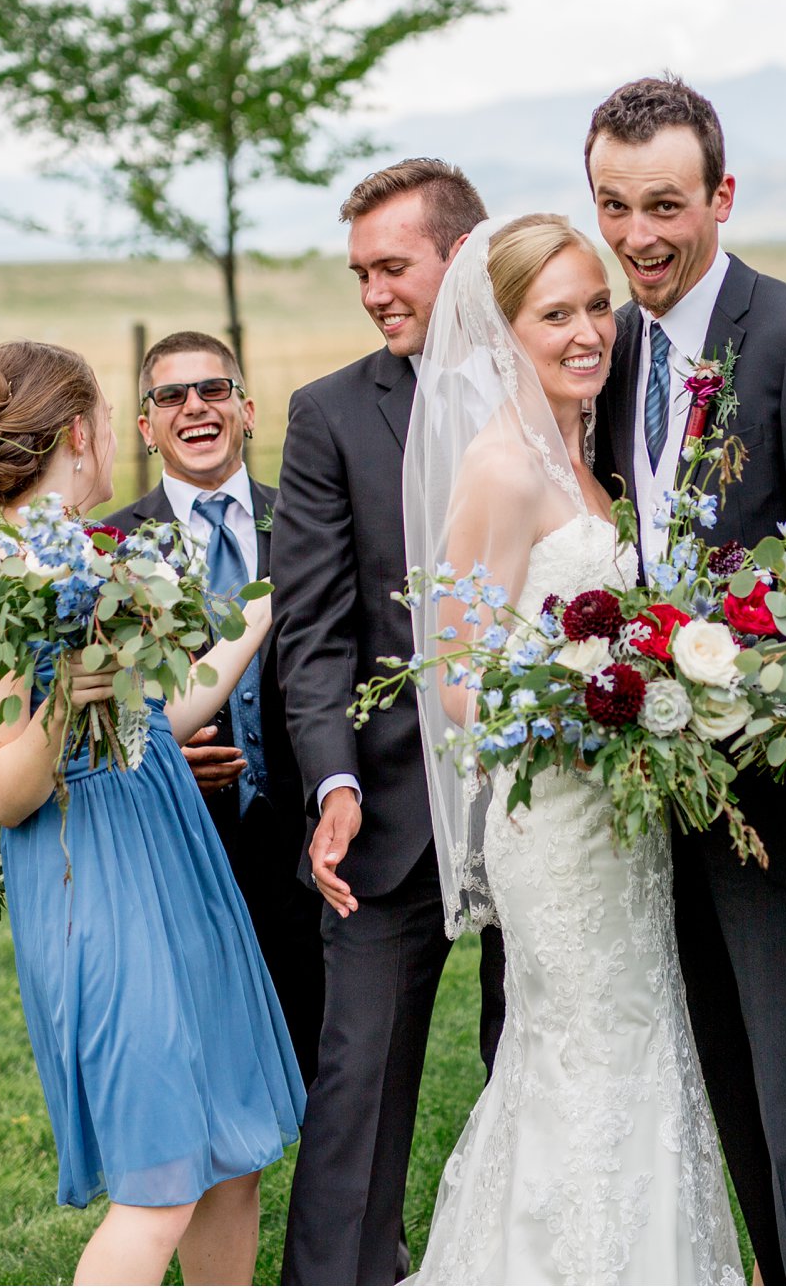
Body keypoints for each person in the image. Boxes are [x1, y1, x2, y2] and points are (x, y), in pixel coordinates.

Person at [585, 76, 786, 1285]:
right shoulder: (612, 349)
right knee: (728, 1084)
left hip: (782, 784)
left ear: (720, 194)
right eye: (612, 206)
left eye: (663, 204)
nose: (637, 237)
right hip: (658, 781)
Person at [406, 212, 745, 1283]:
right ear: (504, 330)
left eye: (595, 304)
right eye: (555, 312)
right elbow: (456, 679)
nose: (589, 328)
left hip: (622, 813)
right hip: (552, 816)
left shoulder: (589, 455)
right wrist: (583, 698)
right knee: (582, 1046)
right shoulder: (500, 469)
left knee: (643, 1030)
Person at [0, 340, 303, 1286]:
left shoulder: (95, 561)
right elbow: (8, 787)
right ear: (79, 433)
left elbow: (155, 710)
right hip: (93, 885)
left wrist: (259, 608)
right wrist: (77, 684)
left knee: (228, 1159)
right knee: (161, 1181)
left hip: (172, 857)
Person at [279, 158, 507, 1286]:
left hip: (546, 798)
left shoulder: (565, 381)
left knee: (544, 1060)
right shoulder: (328, 413)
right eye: (358, 270)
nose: (373, 290)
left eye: (392, 265)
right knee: (357, 1073)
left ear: (458, 257)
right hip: (386, 804)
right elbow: (312, 631)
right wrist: (332, 782)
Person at [105, 329, 323, 1085]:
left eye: (214, 389)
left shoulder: (306, 519)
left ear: (247, 409)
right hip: (185, 841)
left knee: (327, 1056)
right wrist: (157, 753)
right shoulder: (111, 548)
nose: (194, 407)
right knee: (209, 1066)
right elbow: (95, 702)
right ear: (146, 426)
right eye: (171, 394)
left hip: (308, 833)